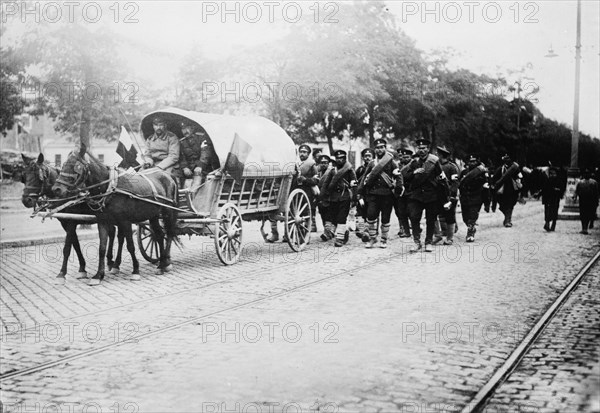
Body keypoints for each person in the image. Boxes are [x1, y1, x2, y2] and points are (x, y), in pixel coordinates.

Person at [267, 144, 318, 242]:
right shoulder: (295, 164)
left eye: (305, 152)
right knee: (291, 214)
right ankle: (289, 235)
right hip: (294, 193)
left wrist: (305, 180)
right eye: (301, 152)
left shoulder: (312, 165)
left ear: (308, 154)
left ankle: (305, 236)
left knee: (305, 215)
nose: (302, 154)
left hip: (306, 193)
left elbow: (316, 181)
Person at [358, 138, 403, 249]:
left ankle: (383, 239)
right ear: (375, 149)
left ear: (385, 148)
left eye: (381, 147)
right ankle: (372, 238)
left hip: (387, 194)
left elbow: (398, 176)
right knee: (371, 215)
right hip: (373, 194)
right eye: (377, 148)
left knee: (385, 218)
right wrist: (360, 193)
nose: (379, 149)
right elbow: (364, 178)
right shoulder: (372, 163)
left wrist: (398, 187)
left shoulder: (391, 162)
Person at [405, 138, 446, 252]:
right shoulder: (414, 162)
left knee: (431, 219)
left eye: (424, 148)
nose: (421, 150)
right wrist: (414, 173)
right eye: (420, 148)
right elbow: (406, 177)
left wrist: (444, 195)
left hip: (431, 194)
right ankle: (416, 242)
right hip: (416, 195)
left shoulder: (434, 161)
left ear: (428, 149)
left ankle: (428, 242)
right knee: (413, 217)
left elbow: (441, 177)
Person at [321, 150, 357, 247]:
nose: (340, 160)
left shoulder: (349, 170)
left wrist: (354, 198)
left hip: (344, 197)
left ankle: (339, 239)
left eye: (342, 158)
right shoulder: (332, 171)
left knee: (341, 218)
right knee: (334, 218)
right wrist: (323, 196)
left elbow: (354, 184)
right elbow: (326, 184)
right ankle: (344, 232)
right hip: (333, 198)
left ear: (345, 159)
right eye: (338, 158)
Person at [458, 155, 489, 242]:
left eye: (474, 161)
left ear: (477, 162)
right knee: (465, 218)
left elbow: (486, 186)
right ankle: (471, 228)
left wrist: (487, 202)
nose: (472, 163)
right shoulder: (464, 172)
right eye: (470, 161)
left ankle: (470, 234)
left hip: (476, 198)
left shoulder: (481, 172)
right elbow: (460, 184)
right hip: (465, 198)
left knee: (472, 216)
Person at [435, 145, 460, 245]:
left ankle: (450, 238)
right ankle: (437, 235)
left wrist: (452, 195)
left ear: (442, 156)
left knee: (450, 217)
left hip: (448, 196)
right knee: (433, 215)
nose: (437, 156)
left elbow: (455, 182)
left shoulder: (452, 167)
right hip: (437, 195)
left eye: (438, 155)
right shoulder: (436, 167)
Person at [493, 154, 521, 227]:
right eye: (505, 159)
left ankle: (507, 220)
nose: (507, 160)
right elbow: (495, 178)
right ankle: (507, 217)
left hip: (512, 190)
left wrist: (519, 185)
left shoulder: (515, 168)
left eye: (508, 158)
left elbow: (519, 177)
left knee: (510, 205)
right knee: (502, 206)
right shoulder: (500, 169)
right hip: (502, 191)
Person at [355, 148, 374, 242]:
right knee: (361, 211)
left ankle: (371, 231)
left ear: (373, 157)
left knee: (371, 212)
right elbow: (356, 182)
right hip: (363, 194)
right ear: (363, 158)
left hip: (372, 194)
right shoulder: (360, 169)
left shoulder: (376, 168)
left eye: (369, 156)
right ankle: (362, 231)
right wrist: (359, 195)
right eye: (365, 156)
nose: (367, 158)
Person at [574, 169, 599, 234]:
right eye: (585, 173)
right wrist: (575, 197)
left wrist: (596, 201)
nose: (586, 175)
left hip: (590, 200)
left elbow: (596, 193)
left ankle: (585, 227)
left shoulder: (593, 182)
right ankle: (584, 228)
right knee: (583, 214)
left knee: (587, 214)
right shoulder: (580, 182)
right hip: (583, 200)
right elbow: (577, 191)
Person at [395, 148, 413, 238]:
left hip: (411, 191)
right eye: (402, 156)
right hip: (401, 193)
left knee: (412, 212)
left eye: (407, 157)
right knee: (402, 212)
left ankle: (414, 228)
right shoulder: (397, 165)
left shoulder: (414, 165)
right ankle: (406, 231)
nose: (404, 158)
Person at [539, 167, 564, 232]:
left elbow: (561, 189)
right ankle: (547, 224)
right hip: (547, 199)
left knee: (554, 212)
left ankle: (553, 225)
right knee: (547, 212)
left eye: (554, 174)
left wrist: (558, 191)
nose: (553, 175)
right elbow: (544, 189)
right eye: (551, 174)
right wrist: (539, 194)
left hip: (555, 199)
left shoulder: (559, 181)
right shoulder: (547, 180)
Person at [316, 154, 335, 241]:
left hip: (329, 196)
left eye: (325, 163)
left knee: (329, 214)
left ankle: (327, 232)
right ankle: (328, 232)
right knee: (322, 213)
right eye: (322, 163)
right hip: (320, 197)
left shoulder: (331, 171)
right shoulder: (317, 172)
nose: (324, 164)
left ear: (328, 163)